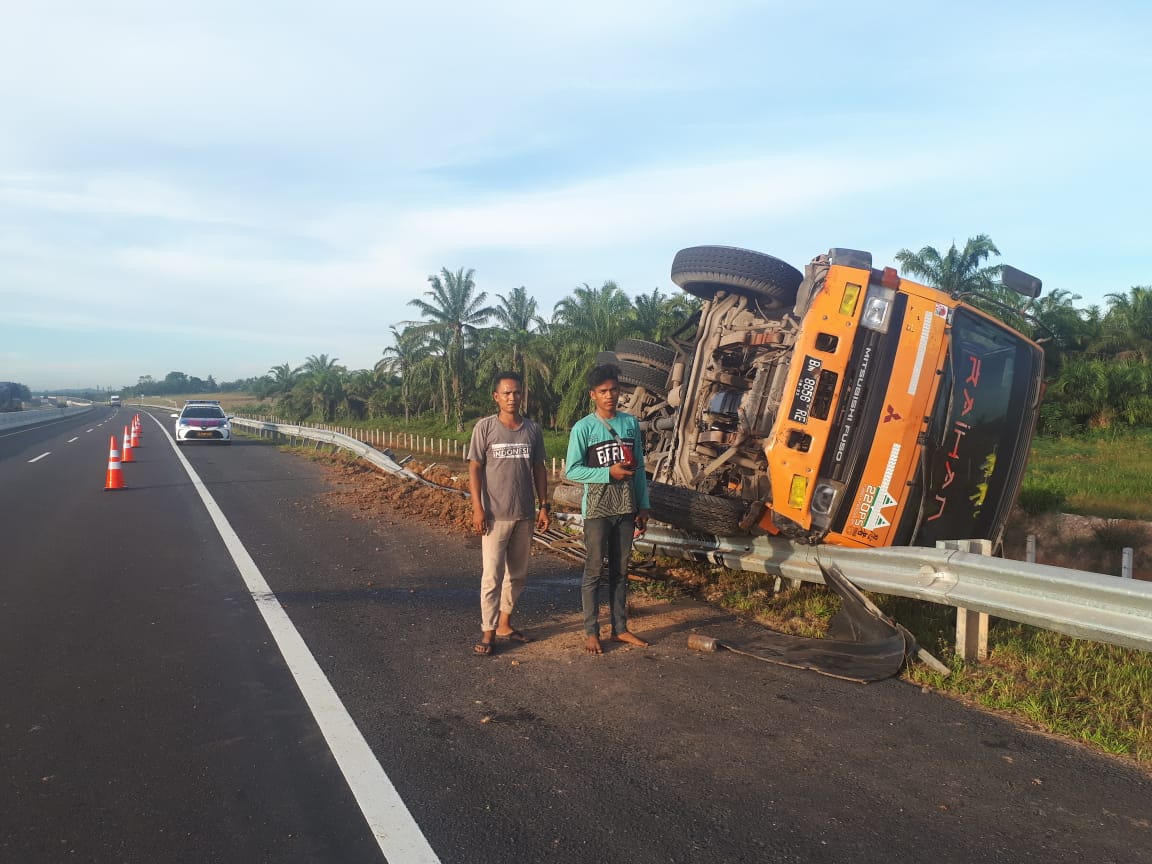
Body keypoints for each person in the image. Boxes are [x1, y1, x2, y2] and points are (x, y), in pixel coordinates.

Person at [565, 363, 651, 654]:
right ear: (593, 395)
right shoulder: (584, 428)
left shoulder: (630, 424)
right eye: (603, 391)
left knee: (620, 571)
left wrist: (644, 505)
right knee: (593, 571)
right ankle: (591, 631)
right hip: (598, 510)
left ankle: (620, 629)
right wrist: (606, 473)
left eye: (614, 389)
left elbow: (638, 469)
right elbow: (572, 470)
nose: (610, 395)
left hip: (626, 508)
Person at [467, 371, 550, 656]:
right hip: (493, 515)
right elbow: (475, 467)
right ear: (496, 397)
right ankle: (488, 631)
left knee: (518, 575)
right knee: (492, 575)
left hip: (524, 514)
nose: (512, 397)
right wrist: (478, 508)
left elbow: (539, 468)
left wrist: (544, 505)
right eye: (506, 393)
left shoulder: (532, 430)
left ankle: (505, 624)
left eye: (516, 392)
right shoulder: (485, 428)